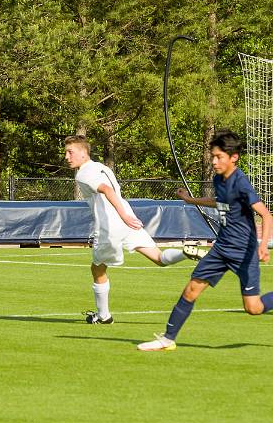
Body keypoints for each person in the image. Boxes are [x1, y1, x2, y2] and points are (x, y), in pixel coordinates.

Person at [138, 130, 273, 351]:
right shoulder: (218, 179)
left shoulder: (241, 183)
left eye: (219, 157)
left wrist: (262, 245)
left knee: (253, 307)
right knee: (191, 289)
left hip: (244, 252)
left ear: (233, 158)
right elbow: (218, 200)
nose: (214, 161)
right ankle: (167, 339)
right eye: (213, 156)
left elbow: (266, 214)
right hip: (221, 249)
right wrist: (191, 200)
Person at [64, 135, 205, 324]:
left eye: (70, 152)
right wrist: (125, 216)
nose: (67, 156)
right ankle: (185, 253)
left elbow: (107, 190)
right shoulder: (102, 167)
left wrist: (122, 215)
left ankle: (103, 316)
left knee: (97, 269)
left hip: (111, 225)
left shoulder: (83, 173)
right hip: (127, 221)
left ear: (83, 153)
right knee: (159, 258)